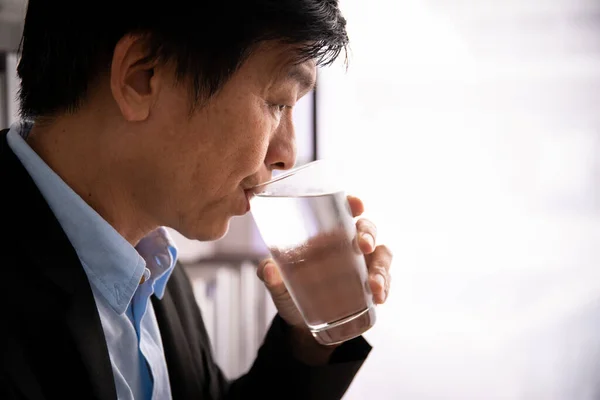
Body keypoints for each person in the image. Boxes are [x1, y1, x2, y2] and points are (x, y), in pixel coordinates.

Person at [0, 0, 394, 399]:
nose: (286, 154)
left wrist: (308, 341)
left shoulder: (152, 262)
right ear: (142, 77)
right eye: (277, 102)